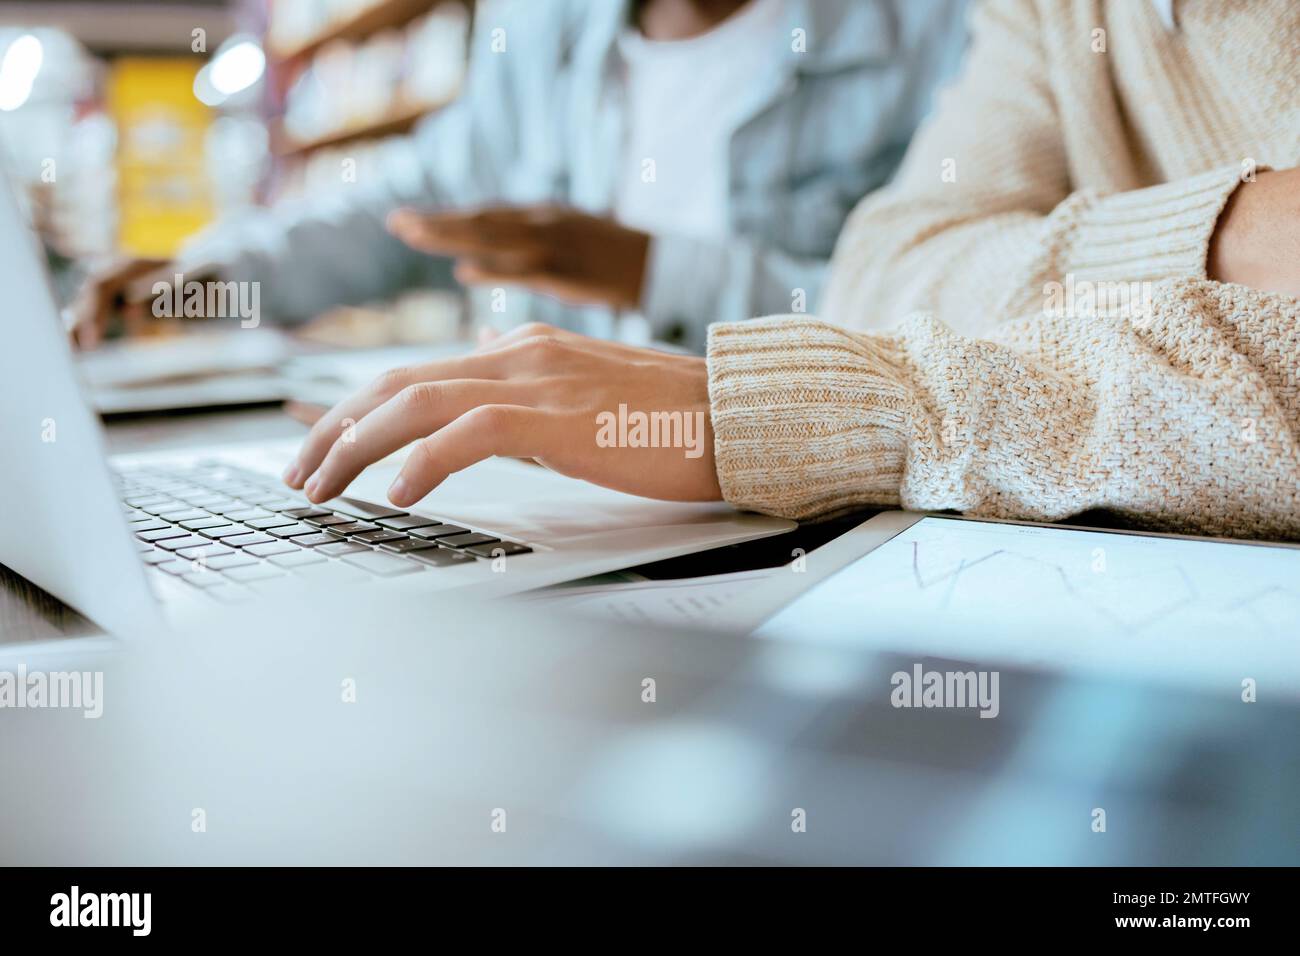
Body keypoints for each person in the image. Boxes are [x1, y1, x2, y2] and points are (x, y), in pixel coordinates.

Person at [281, 0, 1300, 543]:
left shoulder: (909, 26)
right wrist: (1231, 236)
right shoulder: (549, 26)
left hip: (782, 459)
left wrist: (773, 398)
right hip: (639, 476)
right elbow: (886, 270)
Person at [75, 0, 971, 350]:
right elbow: (413, 204)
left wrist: (646, 268)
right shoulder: (548, 31)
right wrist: (218, 277)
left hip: (815, 512)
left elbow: (952, 311)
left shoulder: (931, 36)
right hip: (579, 506)